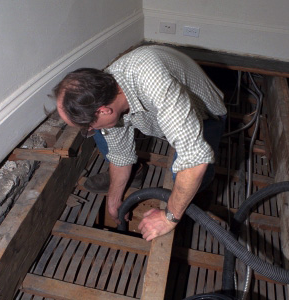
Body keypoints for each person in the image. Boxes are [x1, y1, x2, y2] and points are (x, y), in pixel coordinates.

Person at [54, 45, 227, 241]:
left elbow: (195, 161)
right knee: (103, 135)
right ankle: (145, 178)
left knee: (187, 173)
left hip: (206, 116)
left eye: (87, 125)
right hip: (160, 116)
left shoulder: (153, 81)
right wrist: (114, 197)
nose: (88, 129)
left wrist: (169, 217)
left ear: (103, 110)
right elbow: (120, 155)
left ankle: (194, 202)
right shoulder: (106, 91)